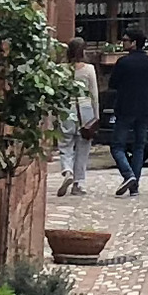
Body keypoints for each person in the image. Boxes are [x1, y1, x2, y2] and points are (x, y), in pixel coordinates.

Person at [103, 30, 148, 195]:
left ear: (134, 42)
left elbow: (113, 83)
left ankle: (128, 174)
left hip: (125, 108)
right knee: (139, 146)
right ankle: (134, 184)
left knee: (117, 146)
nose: (123, 43)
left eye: (125, 40)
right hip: (144, 109)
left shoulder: (123, 63)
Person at [59, 43, 99, 195]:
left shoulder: (61, 69)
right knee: (83, 147)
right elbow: (94, 94)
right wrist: (97, 116)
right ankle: (78, 183)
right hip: (85, 110)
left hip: (66, 109)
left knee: (65, 144)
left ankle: (67, 170)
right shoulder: (89, 69)